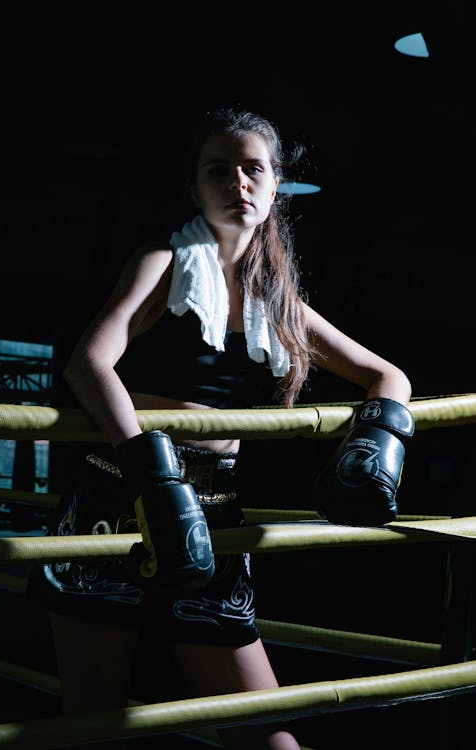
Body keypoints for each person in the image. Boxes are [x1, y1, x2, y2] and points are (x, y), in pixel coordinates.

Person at [27, 107, 413, 750]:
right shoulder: (162, 262)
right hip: (119, 499)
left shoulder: (279, 298)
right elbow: (88, 363)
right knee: (92, 726)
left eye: (253, 168)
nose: (238, 181)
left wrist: (374, 447)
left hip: (214, 510)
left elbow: (388, 377)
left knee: (268, 737)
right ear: (194, 186)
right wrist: (153, 478)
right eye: (219, 169)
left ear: (274, 187)